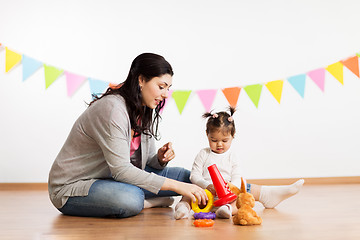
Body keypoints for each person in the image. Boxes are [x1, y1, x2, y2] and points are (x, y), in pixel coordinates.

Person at [48, 53, 208, 218]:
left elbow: (145, 164)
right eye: (161, 87)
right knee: (131, 198)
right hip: (73, 187)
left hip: (110, 178)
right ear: (141, 80)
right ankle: (148, 202)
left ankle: (165, 201)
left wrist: (159, 159)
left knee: (186, 177)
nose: (166, 94)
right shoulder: (113, 109)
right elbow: (121, 170)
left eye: (168, 88)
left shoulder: (144, 108)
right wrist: (176, 187)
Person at [174, 107, 305, 219]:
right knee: (189, 194)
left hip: (227, 194)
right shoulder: (204, 154)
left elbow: (237, 176)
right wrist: (207, 185)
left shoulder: (232, 156)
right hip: (205, 193)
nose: (219, 144)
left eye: (224, 140)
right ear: (207, 134)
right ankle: (182, 209)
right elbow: (194, 176)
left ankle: (227, 210)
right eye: (214, 140)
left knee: (241, 196)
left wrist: (231, 187)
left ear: (233, 135)